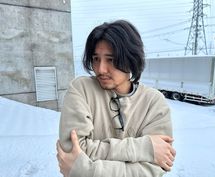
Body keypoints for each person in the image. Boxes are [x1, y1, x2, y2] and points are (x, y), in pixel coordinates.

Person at [56, 19, 176, 177]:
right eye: (96, 59)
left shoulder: (153, 102)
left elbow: (154, 169)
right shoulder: (81, 89)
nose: (101, 69)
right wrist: (144, 148)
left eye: (111, 60)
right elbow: (73, 150)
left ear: (131, 59)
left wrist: (86, 171)